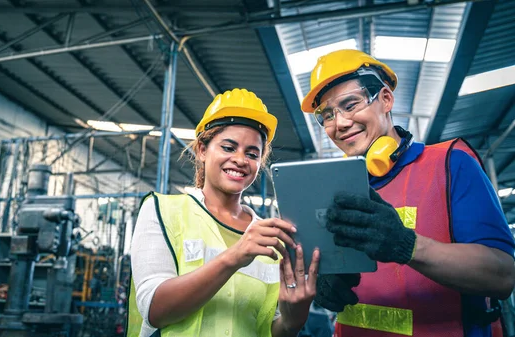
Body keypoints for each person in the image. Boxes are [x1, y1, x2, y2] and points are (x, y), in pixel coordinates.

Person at [300, 49, 515, 337]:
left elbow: (502, 275)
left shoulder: (450, 163)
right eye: (327, 115)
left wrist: (407, 245)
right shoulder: (333, 188)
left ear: (386, 99)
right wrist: (322, 285)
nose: (339, 123)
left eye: (350, 105)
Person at [127, 88, 320, 337]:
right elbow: (154, 309)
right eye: (229, 148)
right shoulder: (163, 210)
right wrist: (234, 256)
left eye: (252, 154)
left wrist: (292, 321)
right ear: (202, 150)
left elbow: (269, 328)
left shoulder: (270, 235)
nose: (240, 160)